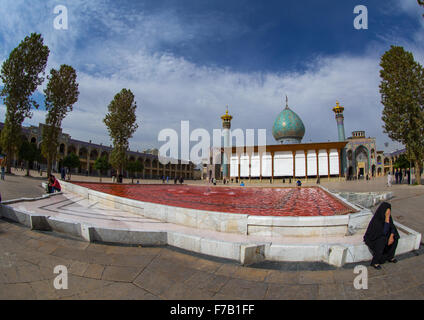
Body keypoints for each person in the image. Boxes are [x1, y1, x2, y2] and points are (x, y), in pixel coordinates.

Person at [364, 202, 399, 269]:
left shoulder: (389, 217)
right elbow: (384, 231)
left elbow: (392, 227)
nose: (388, 214)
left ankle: (390, 257)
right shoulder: (377, 220)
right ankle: (375, 262)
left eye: (389, 213)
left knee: (396, 236)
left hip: (383, 235)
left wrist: (391, 236)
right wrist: (386, 220)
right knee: (382, 240)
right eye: (387, 213)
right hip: (374, 238)